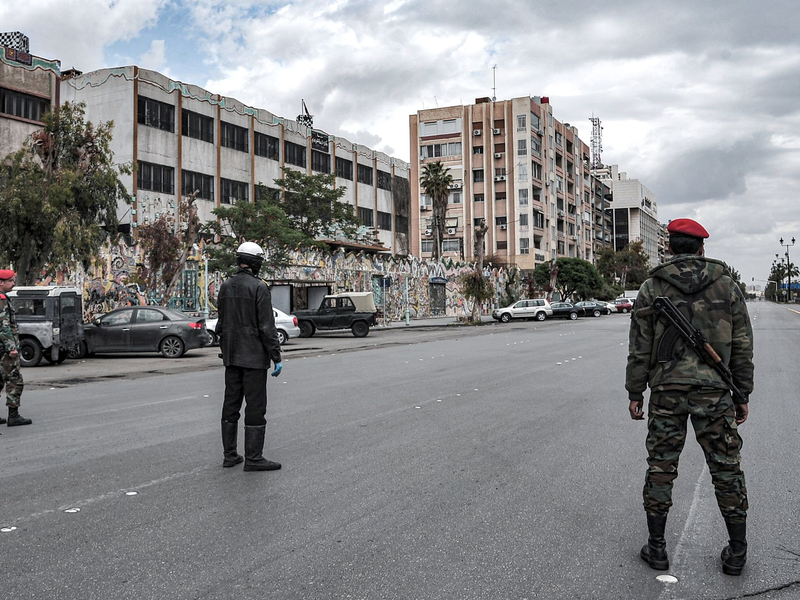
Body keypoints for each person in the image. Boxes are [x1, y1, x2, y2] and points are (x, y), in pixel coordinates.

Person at [626, 218, 753, 576]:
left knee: (661, 467)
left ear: (669, 247)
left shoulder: (652, 287)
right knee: (726, 469)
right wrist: (742, 393)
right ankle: (737, 553)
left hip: (666, 392)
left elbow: (640, 347)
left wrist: (635, 391)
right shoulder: (727, 286)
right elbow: (743, 346)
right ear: (701, 248)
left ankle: (657, 548)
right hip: (714, 393)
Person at [215, 242, 283, 472]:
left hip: (231, 358)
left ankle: (230, 456)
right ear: (256, 262)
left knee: (230, 405)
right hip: (253, 359)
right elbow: (266, 326)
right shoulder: (259, 288)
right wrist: (276, 356)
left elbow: (221, 324)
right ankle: (254, 458)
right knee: (255, 407)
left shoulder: (225, 286)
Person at [0, 269, 33, 427]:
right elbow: (4, 326)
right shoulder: (1, 300)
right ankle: (13, 416)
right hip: (5, 350)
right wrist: (11, 347)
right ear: (1, 282)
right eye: (10, 281)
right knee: (15, 380)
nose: (13, 283)